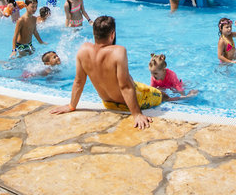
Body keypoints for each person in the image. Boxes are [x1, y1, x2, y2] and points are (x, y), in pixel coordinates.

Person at [51, 16, 190, 129]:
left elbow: (79, 81)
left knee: (134, 82)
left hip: (108, 103)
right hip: (129, 101)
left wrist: (71, 106)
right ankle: (186, 96)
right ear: (112, 34)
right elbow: (125, 86)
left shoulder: (83, 50)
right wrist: (136, 114)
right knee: (163, 95)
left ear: (94, 34)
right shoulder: (118, 52)